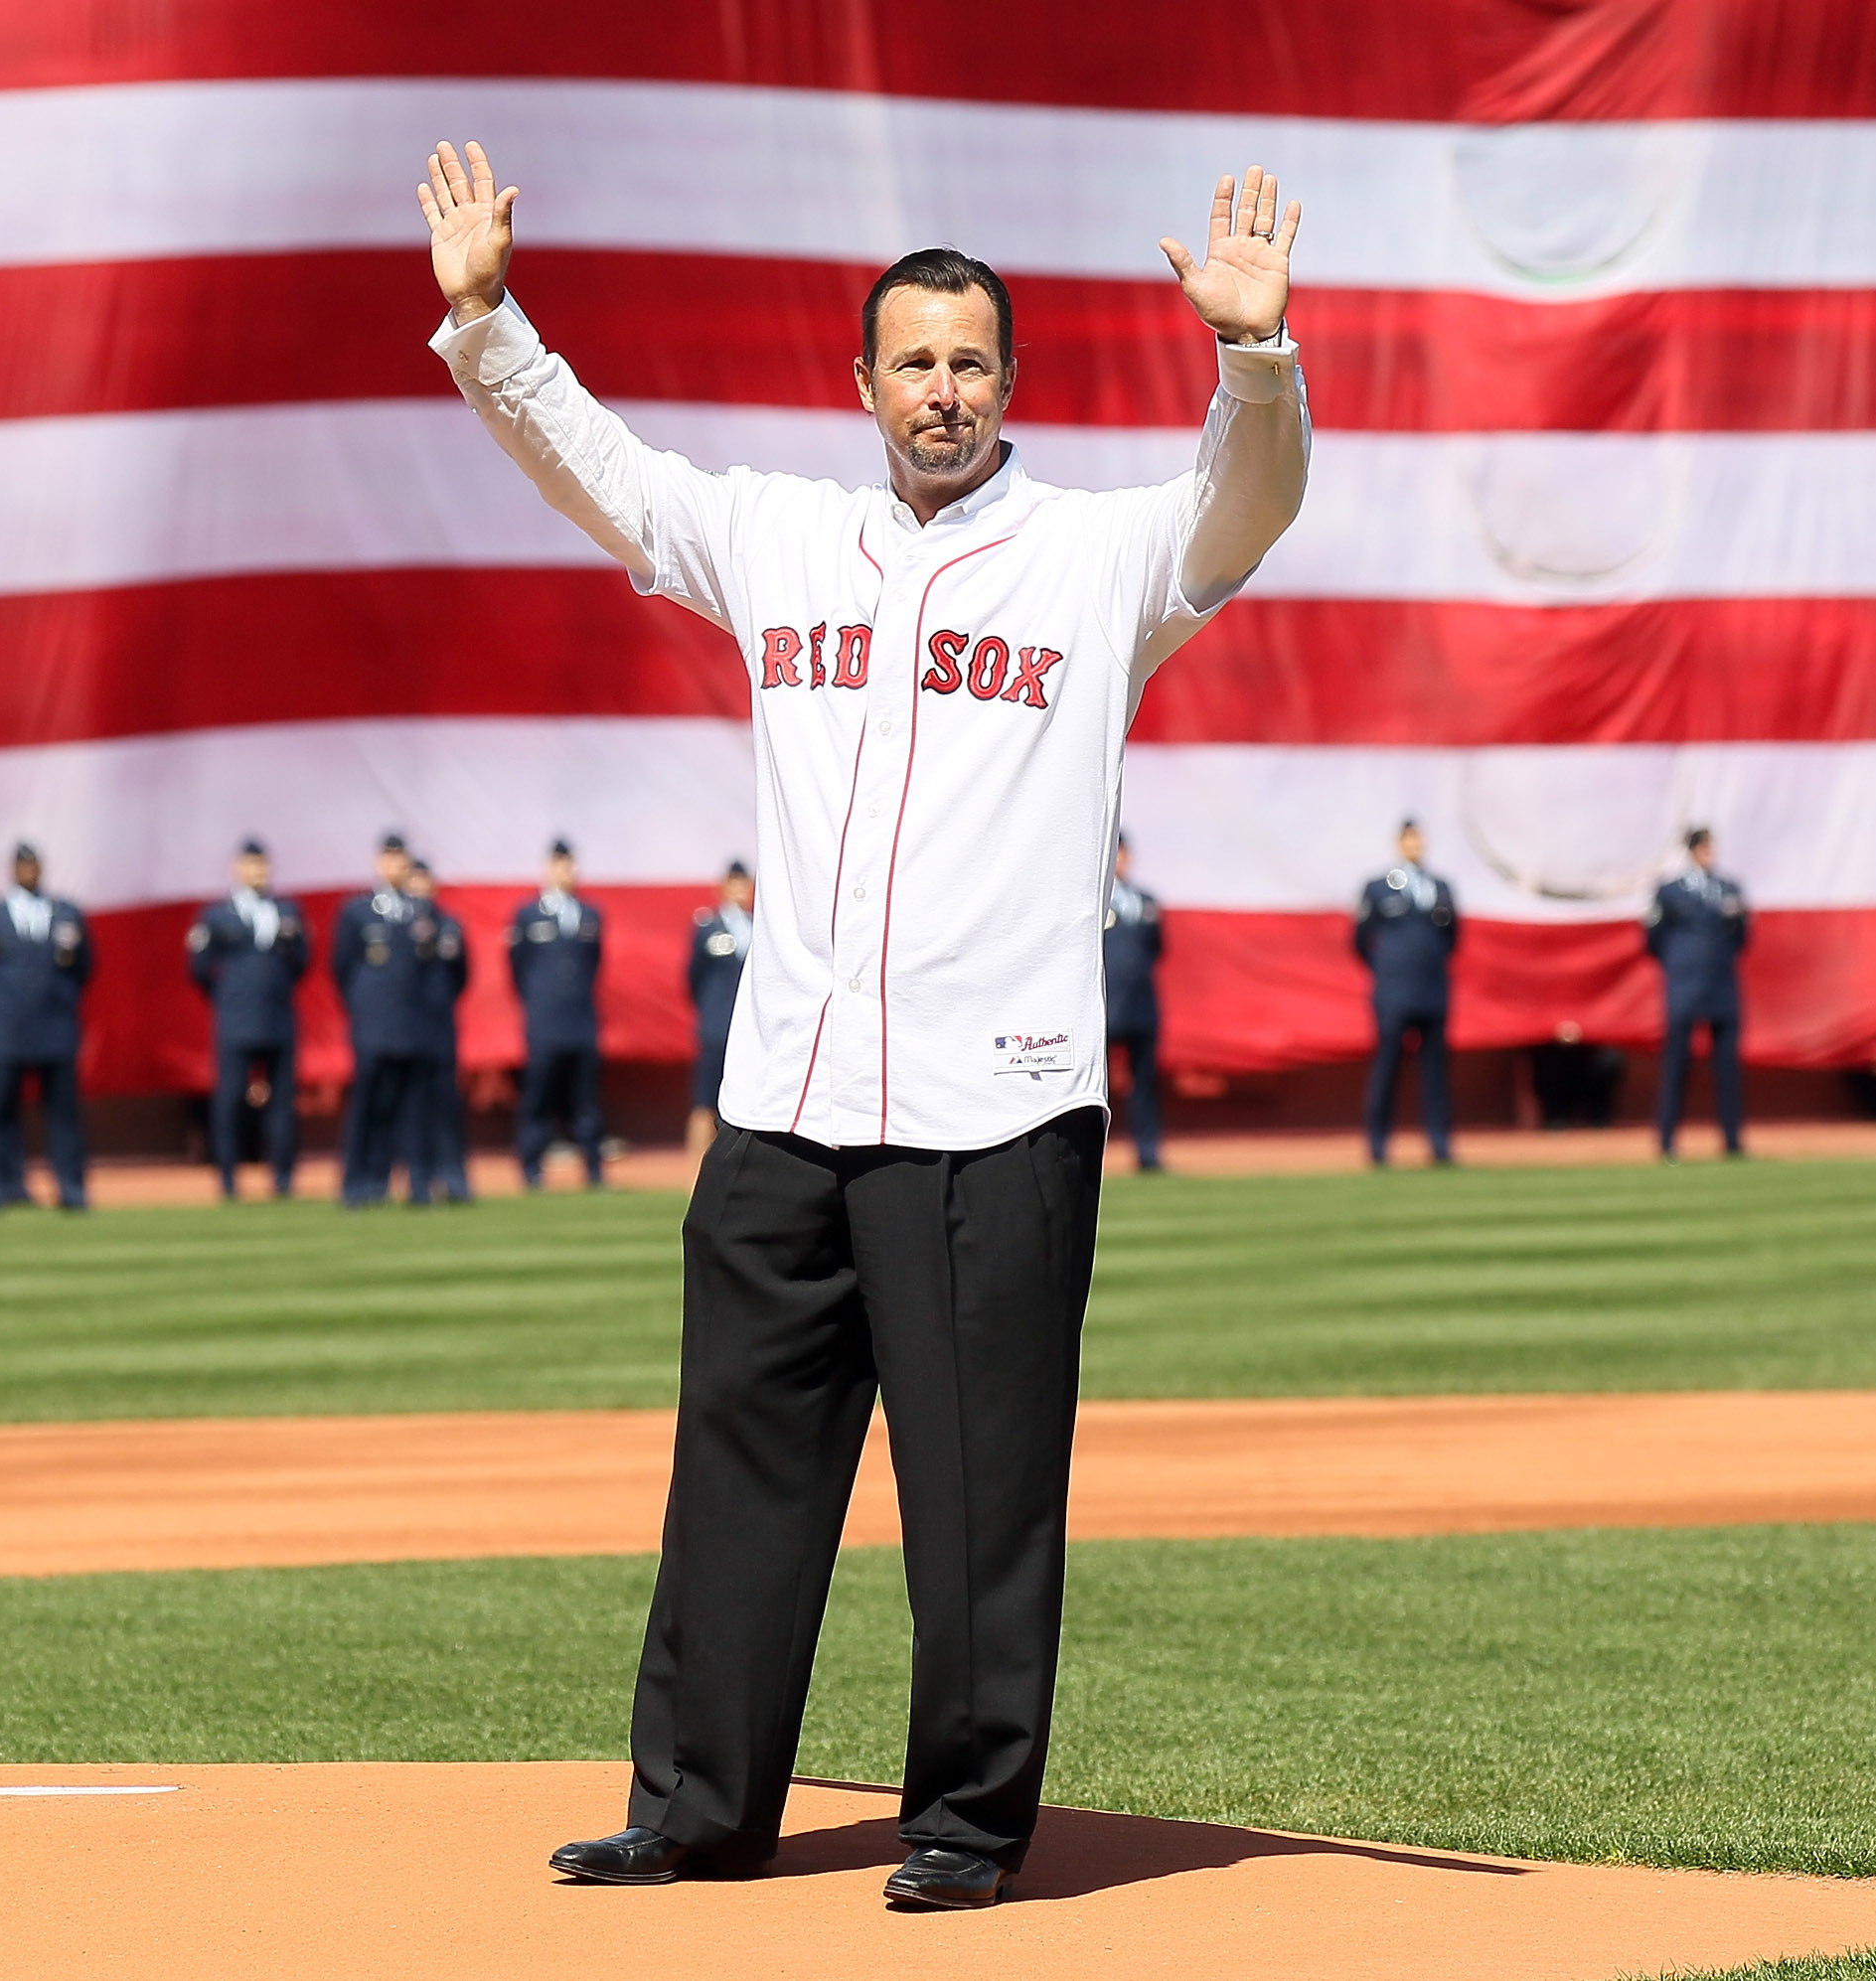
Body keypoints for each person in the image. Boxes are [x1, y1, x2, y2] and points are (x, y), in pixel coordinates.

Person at [420, 141, 1309, 1907]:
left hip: (1001, 1104)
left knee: (980, 1501)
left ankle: (970, 1820)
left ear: (1011, 382)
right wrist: (486, 318)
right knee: (738, 1474)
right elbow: (603, 476)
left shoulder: (1094, 556)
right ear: (864, 381)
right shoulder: (777, 534)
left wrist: (1256, 360)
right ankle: (698, 1801)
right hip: (789, 1092)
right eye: (914, 359)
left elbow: (1251, 502)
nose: (944, 389)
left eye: (973, 360)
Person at [187, 838, 310, 1200]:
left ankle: (283, 1177)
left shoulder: (288, 912)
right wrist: (227, 997)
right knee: (230, 1101)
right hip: (236, 1020)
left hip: (278, 1018)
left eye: (262, 865)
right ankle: (227, 1177)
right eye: (250, 865)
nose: (258, 872)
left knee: (283, 1102)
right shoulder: (217, 916)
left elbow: (302, 961)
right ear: (236, 869)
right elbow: (198, 968)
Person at [0, 841, 90, 1210]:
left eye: (34, 865)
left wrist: (63, 998)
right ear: (12, 870)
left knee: (63, 1113)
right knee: (0, 1111)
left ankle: (71, 1187)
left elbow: (85, 967)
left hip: (54, 1025)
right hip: (6, 1028)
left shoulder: (66, 912)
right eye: (22, 866)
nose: (29, 872)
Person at [332, 832, 434, 1207]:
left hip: (412, 1026)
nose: (395, 866)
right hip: (373, 1026)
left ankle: (417, 1182)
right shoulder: (358, 911)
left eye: (401, 859)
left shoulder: (421, 911)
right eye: (388, 859)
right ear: (379, 862)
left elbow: (434, 973)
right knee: (369, 1106)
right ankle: (360, 1183)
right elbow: (341, 968)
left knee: (413, 1109)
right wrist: (362, 1009)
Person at [1354, 821, 1459, 1168]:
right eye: (1409, 839)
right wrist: (1386, 968)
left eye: (1420, 838)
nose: (1415, 844)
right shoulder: (1379, 886)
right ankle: (1378, 1146)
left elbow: (1452, 938)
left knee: (1436, 1074)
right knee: (1387, 1069)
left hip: (1432, 991)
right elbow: (1359, 940)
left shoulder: (1440, 887)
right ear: (1399, 842)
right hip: (1394, 993)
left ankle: (1440, 1144)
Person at [1645, 827, 1751, 1160]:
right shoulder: (1670, 891)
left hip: (1722, 985)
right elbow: (1653, 939)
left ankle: (1732, 1142)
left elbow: (1743, 937)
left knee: (1728, 1068)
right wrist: (1680, 965)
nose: (1710, 853)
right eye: (1704, 847)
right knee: (1677, 1066)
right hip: (1684, 986)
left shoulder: (1729, 889)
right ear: (1692, 850)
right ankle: (1667, 1142)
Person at [509, 838, 606, 1189]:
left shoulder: (590, 915)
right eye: (559, 865)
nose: (566, 872)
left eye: (570, 864)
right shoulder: (528, 915)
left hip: (581, 1020)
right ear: (547, 869)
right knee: (538, 1096)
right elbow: (518, 968)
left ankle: (594, 1168)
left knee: (586, 1099)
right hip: (544, 1022)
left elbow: (593, 965)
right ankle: (531, 1167)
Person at [406, 856, 475, 1202]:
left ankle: (454, 1179)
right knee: (413, 1109)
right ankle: (418, 1182)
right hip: (406, 1030)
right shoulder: (398, 926)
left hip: (441, 1029)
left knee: (447, 1108)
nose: (419, 889)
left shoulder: (449, 926)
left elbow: (462, 976)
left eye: (424, 882)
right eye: (413, 882)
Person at [1103, 837, 1167, 1173]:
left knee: (1145, 1084)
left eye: (1124, 854)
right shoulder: (1091, 899)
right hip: (1104, 1005)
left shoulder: (1145, 901)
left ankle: (1148, 1154)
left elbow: (1157, 949)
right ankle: (1093, 1156)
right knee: (1097, 1087)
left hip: (1142, 1006)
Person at [683, 863, 753, 1167]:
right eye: (733, 883)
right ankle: (693, 1174)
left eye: (744, 883)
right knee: (704, 1102)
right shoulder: (707, 927)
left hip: (751, 1032)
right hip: (716, 1027)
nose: (740, 889)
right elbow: (693, 977)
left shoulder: (758, 925)